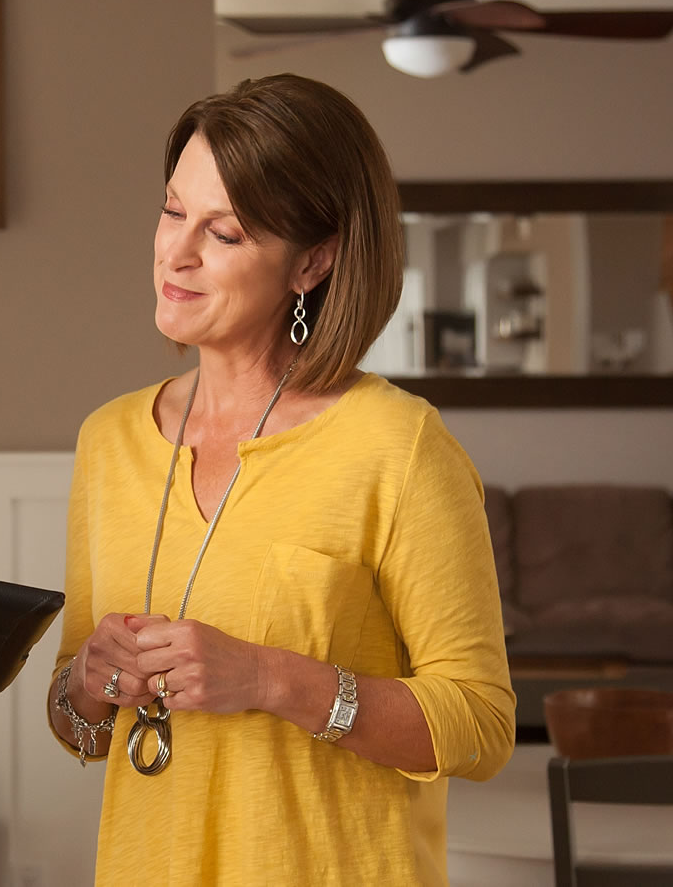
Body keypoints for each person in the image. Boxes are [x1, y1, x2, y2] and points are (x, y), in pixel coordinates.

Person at [47, 74, 515, 886]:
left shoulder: (397, 446)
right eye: (171, 211)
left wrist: (271, 679)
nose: (176, 253)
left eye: (223, 233)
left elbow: (479, 724)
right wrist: (87, 681)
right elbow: (77, 722)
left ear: (315, 261)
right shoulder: (109, 440)